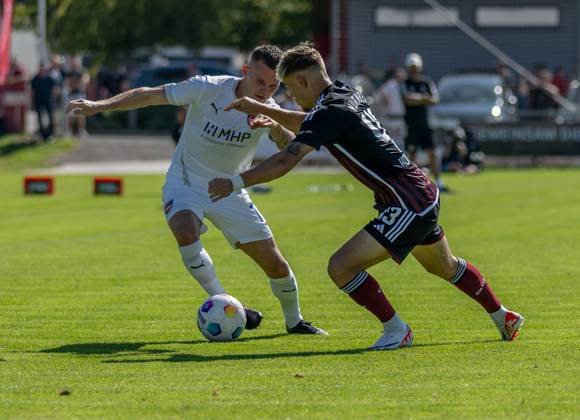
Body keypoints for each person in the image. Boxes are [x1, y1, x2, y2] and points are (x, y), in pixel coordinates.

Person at [208, 42, 525, 350]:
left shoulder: (329, 113)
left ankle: (396, 330)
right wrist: (265, 110)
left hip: (406, 203)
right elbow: (312, 121)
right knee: (444, 266)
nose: (291, 97)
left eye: (291, 89)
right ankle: (503, 316)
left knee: (341, 267)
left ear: (303, 80)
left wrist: (235, 182)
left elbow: (286, 158)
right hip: (420, 193)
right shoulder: (342, 92)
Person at [66, 45, 326, 336]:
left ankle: (295, 321)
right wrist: (99, 106)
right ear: (245, 72)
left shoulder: (269, 109)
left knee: (276, 264)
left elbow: (288, 146)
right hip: (186, 180)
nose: (265, 91)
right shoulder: (207, 88)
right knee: (185, 230)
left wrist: (275, 128)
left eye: (273, 86)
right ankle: (228, 303)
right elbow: (150, 94)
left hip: (230, 189)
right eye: (259, 82)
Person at [400, 53, 449, 192]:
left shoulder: (426, 82)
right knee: (412, 154)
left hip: (425, 124)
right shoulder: (404, 83)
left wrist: (418, 99)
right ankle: (413, 184)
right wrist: (423, 98)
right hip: (411, 124)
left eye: (415, 67)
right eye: (411, 67)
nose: (414, 70)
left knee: (432, 153)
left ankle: (439, 181)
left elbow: (435, 99)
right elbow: (407, 99)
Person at [30, 62, 56, 142]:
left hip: (48, 100)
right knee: (40, 118)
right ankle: (43, 135)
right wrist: (31, 102)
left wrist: (54, 99)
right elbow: (32, 92)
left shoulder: (50, 79)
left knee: (51, 117)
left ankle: (50, 134)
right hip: (38, 101)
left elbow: (55, 89)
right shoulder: (35, 79)